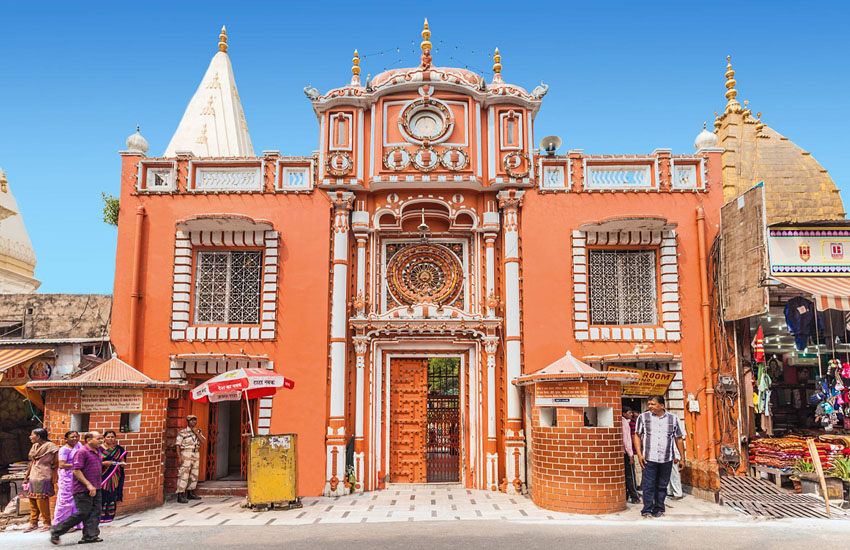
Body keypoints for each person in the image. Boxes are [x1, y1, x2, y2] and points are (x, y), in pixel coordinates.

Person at [633, 395, 685, 518]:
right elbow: (637, 435)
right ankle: (647, 510)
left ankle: (659, 509)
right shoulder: (643, 418)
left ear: (662, 406)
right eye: (649, 404)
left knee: (662, 485)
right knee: (648, 485)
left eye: (653, 404)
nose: (649, 406)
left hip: (667, 458)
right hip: (648, 458)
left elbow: (678, 439)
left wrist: (682, 458)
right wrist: (639, 454)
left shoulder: (673, 419)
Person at [50, 431, 104, 545]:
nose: (101, 441)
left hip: (96, 486)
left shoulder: (98, 451)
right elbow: (76, 470)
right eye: (98, 438)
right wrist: (88, 485)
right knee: (83, 512)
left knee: (95, 511)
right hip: (83, 488)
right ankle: (56, 530)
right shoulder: (82, 452)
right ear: (89, 440)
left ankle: (90, 535)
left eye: (101, 438)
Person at [23, 428, 59, 532]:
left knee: (42, 500)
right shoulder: (34, 446)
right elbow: (32, 462)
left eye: (32, 435)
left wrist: (52, 471)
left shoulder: (51, 447)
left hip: (43, 475)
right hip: (33, 475)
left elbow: (57, 462)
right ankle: (33, 523)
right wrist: (26, 476)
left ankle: (46, 523)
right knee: (32, 500)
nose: (30, 437)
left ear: (38, 436)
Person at [53, 431, 83, 531]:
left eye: (76, 436)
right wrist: (77, 465)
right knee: (65, 501)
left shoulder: (79, 445)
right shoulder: (63, 450)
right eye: (72, 437)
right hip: (67, 477)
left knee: (76, 499)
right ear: (66, 439)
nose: (75, 439)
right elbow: (61, 465)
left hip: (77, 476)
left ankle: (76, 524)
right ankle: (60, 524)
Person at [175, 414, 205, 503]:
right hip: (186, 453)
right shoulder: (182, 432)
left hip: (195, 453)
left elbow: (202, 441)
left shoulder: (198, 431)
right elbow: (177, 445)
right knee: (184, 473)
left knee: (194, 474)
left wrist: (196, 432)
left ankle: (190, 492)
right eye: (191, 420)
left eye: (195, 420)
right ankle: (180, 494)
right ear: (187, 422)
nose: (193, 422)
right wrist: (179, 457)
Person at [100, 430, 127, 522]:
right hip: (102, 475)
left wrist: (122, 464)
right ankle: (101, 515)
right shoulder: (99, 449)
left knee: (112, 493)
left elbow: (122, 461)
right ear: (104, 438)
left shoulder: (119, 449)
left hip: (114, 475)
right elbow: (94, 462)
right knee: (102, 493)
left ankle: (110, 515)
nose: (110, 439)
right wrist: (104, 463)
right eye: (108, 437)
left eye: (112, 437)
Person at [621, 407, 640, 504]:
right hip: (627, 452)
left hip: (623, 453)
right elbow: (626, 440)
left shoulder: (622, 422)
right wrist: (631, 454)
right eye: (629, 412)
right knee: (631, 475)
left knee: (626, 476)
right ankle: (635, 497)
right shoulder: (624, 423)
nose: (631, 414)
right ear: (624, 413)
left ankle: (627, 495)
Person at [667, 415, 686, 500]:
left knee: (675, 475)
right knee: (669, 475)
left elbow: (678, 443)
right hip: (669, 455)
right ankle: (670, 491)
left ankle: (678, 493)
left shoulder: (675, 435)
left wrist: (678, 456)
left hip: (675, 455)